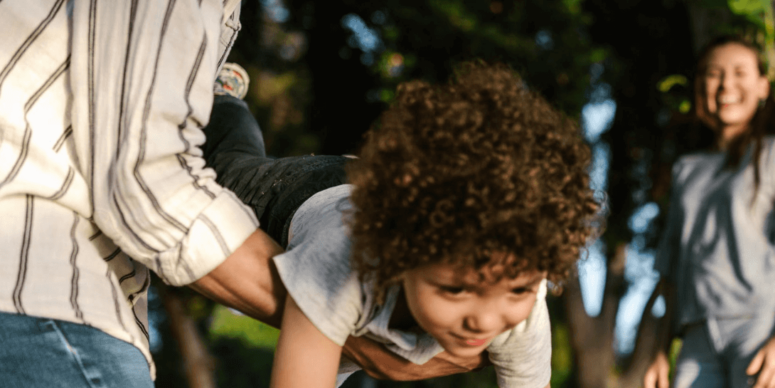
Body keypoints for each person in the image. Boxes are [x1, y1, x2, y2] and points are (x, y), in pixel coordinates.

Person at [0, 2, 486, 386]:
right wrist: (332, 321)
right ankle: (220, 98)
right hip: (40, 287)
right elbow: (146, 184)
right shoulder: (341, 247)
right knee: (236, 163)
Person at [204, 63, 600, 388]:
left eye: (517, 289)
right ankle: (224, 99)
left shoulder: (521, 306)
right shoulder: (342, 263)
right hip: (298, 193)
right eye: (456, 288)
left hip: (376, 185)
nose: (485, 319)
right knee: (225, 169)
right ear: (401, 253)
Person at [643, 36, 775, 388]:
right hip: (697, 337)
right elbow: (674, 268)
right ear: (699, 87)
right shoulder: (686, 170)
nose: (726, 85)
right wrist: (659, 349)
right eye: (713, 74)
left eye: (739, 73)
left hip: (761, 325)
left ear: (763, 86)